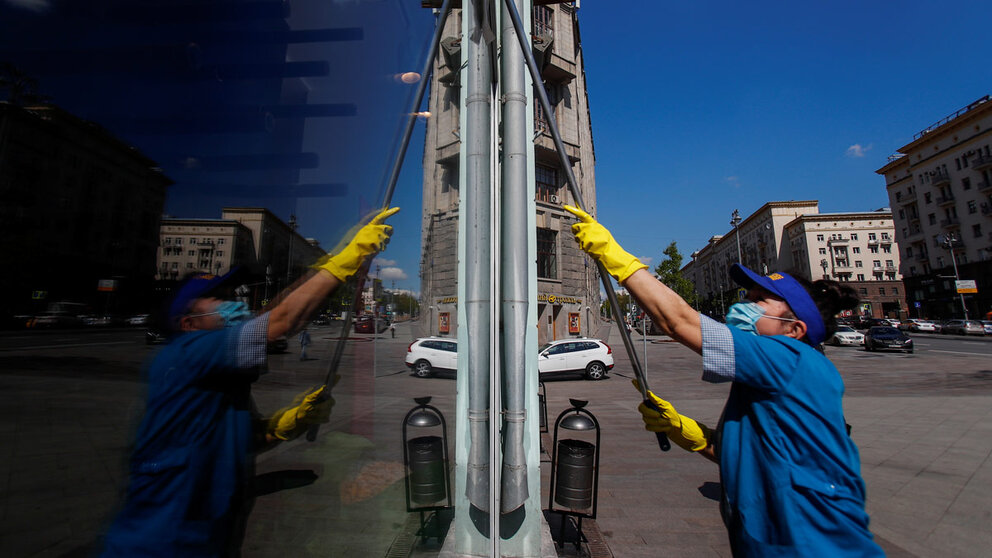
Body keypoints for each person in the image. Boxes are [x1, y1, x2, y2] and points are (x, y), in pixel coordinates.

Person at [563, 205, 883, 557]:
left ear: (795, 329)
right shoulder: (773, 377)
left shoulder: (792, 359)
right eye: (746, 296)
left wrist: (617, 258)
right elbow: (751, 454)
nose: (745, 305)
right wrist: (689, 433)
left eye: (760, 301)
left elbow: (680, 322)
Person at [101, 207, 399, 557]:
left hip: (206, 541)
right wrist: (346, 259)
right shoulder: (186, 354)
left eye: (231, 294)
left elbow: (247, 441)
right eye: (219, 299)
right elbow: (281, 321)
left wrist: (286, 425)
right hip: (155, 545)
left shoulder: (218, 377)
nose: (234, 303)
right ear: (188, 323)